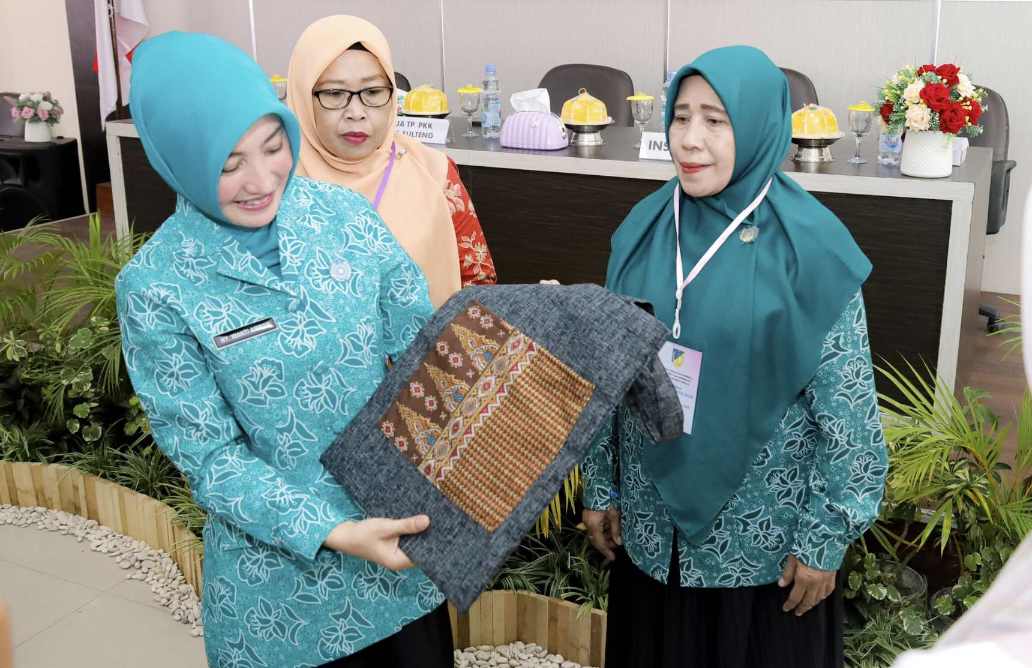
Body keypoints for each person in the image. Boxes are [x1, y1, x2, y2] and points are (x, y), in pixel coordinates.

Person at [117, 31, 452, 667]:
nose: (261, 179)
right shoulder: (157, 285)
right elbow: (211, 459)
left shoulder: (343, 216)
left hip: (399, 554)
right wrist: (332, 530)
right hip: (280, 597)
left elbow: (424, 350)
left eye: (274, 147)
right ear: (179, 160)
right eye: (228, 164)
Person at [581, 45, 887, 667]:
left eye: (716, 121)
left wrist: (824, 539)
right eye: (681, 116)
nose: (690, 139)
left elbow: (850, 416)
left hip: (763, 553)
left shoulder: (812, 249)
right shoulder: (644, 229)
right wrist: (600, 484)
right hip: (650, 534)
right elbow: (604, 373)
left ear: (758, 126)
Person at [287, 15, 496, 308]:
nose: (356, 112)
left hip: (431, 337)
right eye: (334, 93)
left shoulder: (434, 173)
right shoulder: (275, 181)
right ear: (302, 97)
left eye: (373, 92)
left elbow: (479, 285)